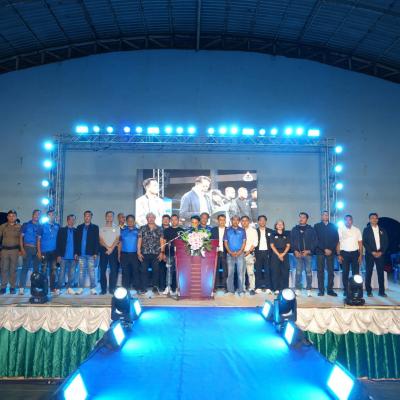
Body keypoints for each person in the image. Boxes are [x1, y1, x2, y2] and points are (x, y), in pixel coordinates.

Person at [291, 212, 317, 297]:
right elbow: (291, 241)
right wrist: (295, 251)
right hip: (298, 254)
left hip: (308, 255)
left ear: (307, 219)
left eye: (303, 217)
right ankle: (298, 289)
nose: (301, 219)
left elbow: (315, 242)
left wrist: (309, 251)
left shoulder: (311, 229)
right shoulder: (294, 229)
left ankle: (309, 289)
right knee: (298, 272)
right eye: (300, 217)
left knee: (308, 272)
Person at [137, 212, 164, 296]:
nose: (151, 218)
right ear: (147, 219)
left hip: (156, 253)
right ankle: (143, 288)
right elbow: (139, 240)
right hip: (144, 253)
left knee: (156, 271)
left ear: (155, 218)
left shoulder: (159, 228)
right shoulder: (142, 228)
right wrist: (138, 252)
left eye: (152, 217)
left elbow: (162, 241)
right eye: (149, 217)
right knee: (143, 271)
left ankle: (155, 288)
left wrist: (162, 252)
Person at [362, 213, 389, 297]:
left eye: (375, 218)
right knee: (369, 272)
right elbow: (364, 242)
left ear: (378, 219)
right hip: (370, 254)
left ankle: (381, 291)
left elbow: (386, 242)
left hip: (380, 254)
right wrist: (372, 252)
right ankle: (369, 291)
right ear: (369, 220)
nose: (374, 219)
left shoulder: (382, 230)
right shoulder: (366, 230)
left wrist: (381, 252)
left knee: (380, 273)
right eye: (372, 218)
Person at [314, 211, 339, 297]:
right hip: (320, 251)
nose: (325, 216)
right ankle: (321, 290)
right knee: (320, 271)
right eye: (324, 215)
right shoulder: (317, 226)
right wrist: (324, 249)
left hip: (331, 252)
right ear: (321, 216)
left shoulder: (333, 226)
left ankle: (330, 290)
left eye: (327, 215)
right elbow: (315, 239)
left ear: (328, 216)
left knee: (331, 271)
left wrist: (330, 249)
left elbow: (336, 239)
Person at [337, 214, 363, 297]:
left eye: (350, 220)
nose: (348, 221)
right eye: (346, 220)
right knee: (345, 273)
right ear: (344, 221)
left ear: (352, 221)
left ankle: (355, 290)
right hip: (344, 254)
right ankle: (346, 290)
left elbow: (360, 243)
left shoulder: (357, 230)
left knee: (356, 273)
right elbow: (338, 242)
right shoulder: (340, 229)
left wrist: (360, 255)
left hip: (355, 253)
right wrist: (338, 254)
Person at [74, 211, 100, 295]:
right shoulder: (79, 227)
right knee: (81, 272)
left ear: (91, 217)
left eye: (88, 216)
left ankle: (93, 288)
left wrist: (95, 253)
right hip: (81, 254)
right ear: (84, 217)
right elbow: (76, 241)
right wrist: (76, 252)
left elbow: (96, 241)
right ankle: (80, 288)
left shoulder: (95, 227)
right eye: (85, 216)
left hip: (91, 254)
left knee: (92, 272)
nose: (87, 217)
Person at [37, 209, 60, 295]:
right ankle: (43, 287)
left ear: (55, 216)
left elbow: (60, 240)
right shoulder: (42, 226)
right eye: (49, 215)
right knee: (43, 270)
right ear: (47, 216)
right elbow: (38, 240)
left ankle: (52, 288)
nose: (51, 216)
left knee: (53, 270)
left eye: (53, 215)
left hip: (54, 252)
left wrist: (59, 254)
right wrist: (39, 252)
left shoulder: (57, 226)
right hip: (44, 252)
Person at [19, 209, 41, 295]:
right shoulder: (26, 225)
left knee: (36, 269)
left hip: (36, 249)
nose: (37, 216)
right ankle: (21, 288)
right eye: (36, 214)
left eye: (38, 215)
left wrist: (39, 251)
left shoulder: (40, 226)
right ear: (32, 215)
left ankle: (35, 287)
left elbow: (40, 240)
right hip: (27, 248)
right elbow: (21, 238)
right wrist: (22, 249)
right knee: (25, 268)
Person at [224, 215, 247, 296]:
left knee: (240, 273)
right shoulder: (227, 230)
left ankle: (241, 291)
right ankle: (230, 290)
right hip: (230, 254)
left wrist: (240, 252)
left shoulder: (242, 230)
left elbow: (244, 242)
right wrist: (230, 252)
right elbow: (225, 242)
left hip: (240, 254)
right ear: (231, 221)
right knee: (230, 273)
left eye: (237, 220)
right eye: (234, 220)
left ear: (239, 221)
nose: (235, 221)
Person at [0, 210, 21, 294]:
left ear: (16, 217)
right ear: (7, 217)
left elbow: (21, 239)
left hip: (15, 251)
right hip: (4, 251)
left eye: (13, 216)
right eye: (10, 216)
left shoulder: (19, 227)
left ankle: (12, 287)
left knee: (13, 269)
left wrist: (21, 250)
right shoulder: (2, 226)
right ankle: (3, 287)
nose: (11, 217)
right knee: (3, 269)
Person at [99, 211, 120, 295]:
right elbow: (101, 240)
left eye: (111, 216)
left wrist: (111, 248)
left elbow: (117, 239)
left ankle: (112, 289)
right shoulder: (101, 228)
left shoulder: (117, 228)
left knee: (113, 270)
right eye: (108, 216)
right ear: (105, 217)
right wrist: (108, 248)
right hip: (104, 250)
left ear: (113, 217)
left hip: (113, 250)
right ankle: (103, 289)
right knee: (102, 270)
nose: (109, 217)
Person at [162, 214, 184, 295]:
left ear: (178, 220)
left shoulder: (182, 230)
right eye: (172, 220)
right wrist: (163, 253)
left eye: (175, 219)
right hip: (169, 253)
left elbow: (184, 243)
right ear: (170, 221)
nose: (174, 221)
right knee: (169, 271)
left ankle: (179, 288)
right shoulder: (167, 230)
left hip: (180, 255)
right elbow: (164, 242)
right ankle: (168, 287)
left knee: (179, 271)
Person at [56, 214, 77, 294]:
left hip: (73, 256)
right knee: (61, 273)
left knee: (72, 274)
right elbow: (58, 243)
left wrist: (77, 253)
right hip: (63, 256)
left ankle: (69, 288)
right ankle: (58, 288)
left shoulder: (76, 231)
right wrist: (58, 255)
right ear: (67, 220)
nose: (72, 221)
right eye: (70, 219)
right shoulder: (61, 230)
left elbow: (78, 244)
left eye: (73, 220)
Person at [118, 215, 140, 292]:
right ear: (126, 222)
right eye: (129, 221)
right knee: (125, 272)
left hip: (135, 255)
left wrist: (139, 253)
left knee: (135, 271)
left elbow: (140, 243)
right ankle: (125, 287)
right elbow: (120, 243)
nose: (130, 222)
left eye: (132, 220)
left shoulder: (138, 231)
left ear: (134, 221)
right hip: (124, 254)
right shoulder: (122, 231)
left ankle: (136, 286)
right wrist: (119, 254)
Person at [270, 220, 291, 294]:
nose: (280, 225)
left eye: (281, 224)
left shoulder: (287, 234)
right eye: (278, 224)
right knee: (275, 272)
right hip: (275, 254)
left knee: (285, 272)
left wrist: (283, 254)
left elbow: (288, 245)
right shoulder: (273, 234)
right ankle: (276, 288)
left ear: (283, 226)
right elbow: (272, 245)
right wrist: (279, 255)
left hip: (285, 254)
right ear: (276, 226)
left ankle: (284, 288)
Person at [255, 215, 273, 294]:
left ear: (266, 221)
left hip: (267, 253)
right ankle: (258, 287)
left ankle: (268, 287)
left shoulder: (270, 231)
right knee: (258, 270)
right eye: (260, 220)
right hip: (258, 252)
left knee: (267, 270)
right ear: (258, 222)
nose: (262, 222)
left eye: (263, 220)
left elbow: (272, 243)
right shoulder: (255, 231)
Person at [241, 215, 258, 295]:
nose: (244, 222)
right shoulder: (239, 230)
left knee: (250, 272)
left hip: (249, 254)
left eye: (246, 220)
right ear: (241, 222)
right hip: (240, 254)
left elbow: (255, 243)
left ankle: (252, 288)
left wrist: (248, 252)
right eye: (243, 221)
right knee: (241, 273)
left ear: (249, 222)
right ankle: (242, 288)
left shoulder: (253, 231)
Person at [211, 214, 228, 292]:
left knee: (226, 271)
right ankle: (214, 287)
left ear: (225, 221)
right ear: (218, 221)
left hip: (226, 252)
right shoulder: (213, 230)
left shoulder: (228, 230)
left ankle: (225, 287)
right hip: (215, 253)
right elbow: (210, 241)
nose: (222, 221)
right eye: (220, 220)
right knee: (215, 270)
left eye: (223, 220)